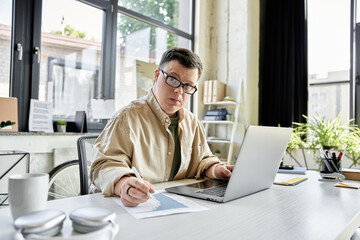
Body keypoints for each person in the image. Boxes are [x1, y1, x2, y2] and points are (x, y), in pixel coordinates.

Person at [91, 47, 234, 207]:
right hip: (129, 208)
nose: (179, 90)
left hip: (175, 206)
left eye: (188, 86)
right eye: (173, 79)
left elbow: (202, 160)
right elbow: (104, 164)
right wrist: (124, 183)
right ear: (157, 75)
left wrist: (216, 170)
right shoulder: (127, 118)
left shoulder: (193, 123)